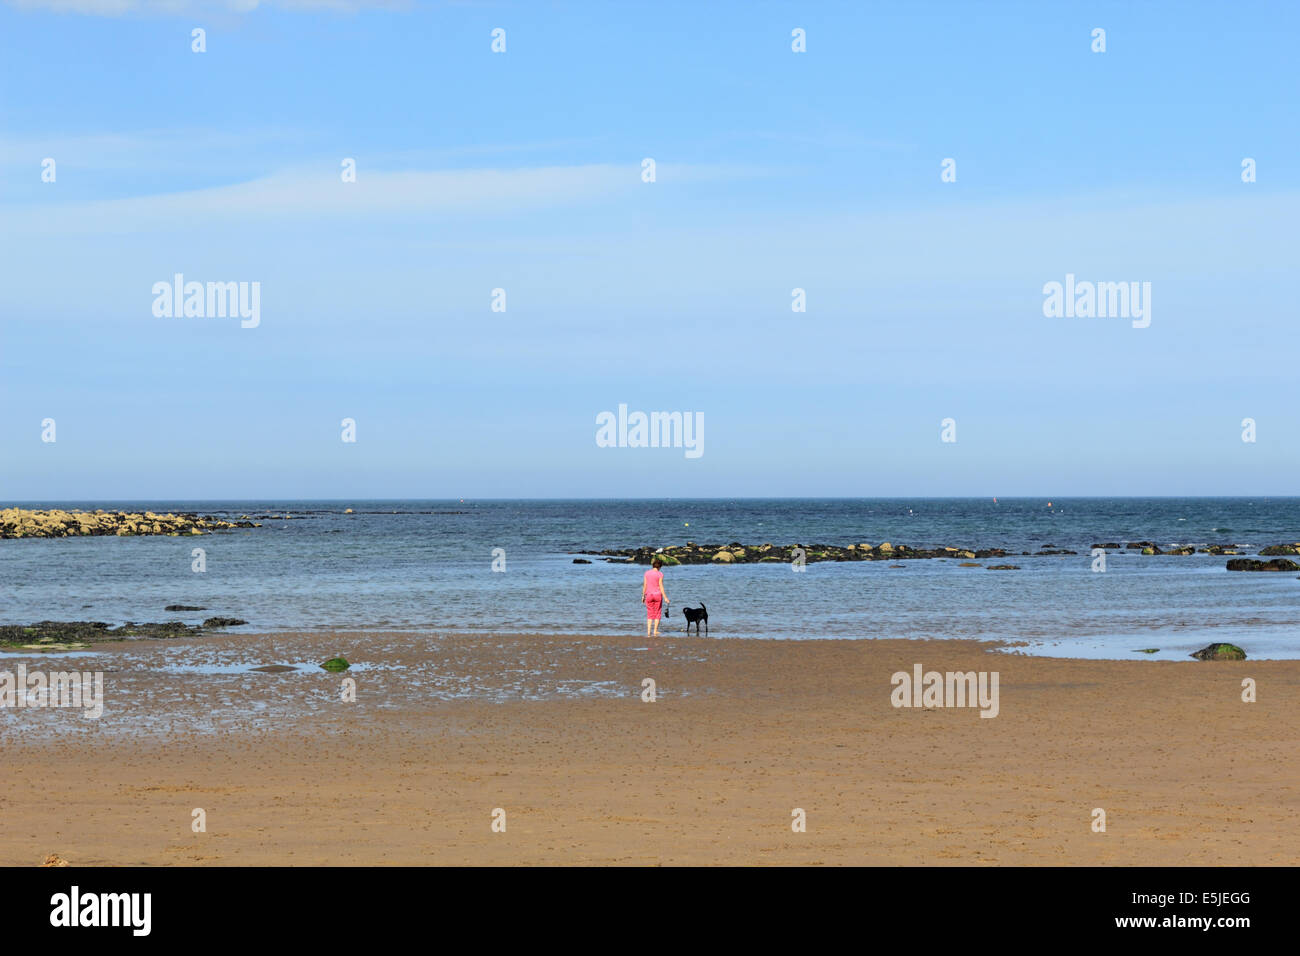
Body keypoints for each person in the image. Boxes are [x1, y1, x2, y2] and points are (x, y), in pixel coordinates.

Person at [641, 557, 669, 637]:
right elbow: (661, 586)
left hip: (649, 595)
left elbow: (645, 585)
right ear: (660, 566)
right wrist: (665, 597)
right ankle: (655, 631)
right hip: (657, 595)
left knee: (649, 614)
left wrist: (643, 596)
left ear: (653, 565)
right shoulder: (660, 574)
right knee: (657, 613)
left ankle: (649, 632)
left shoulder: (647, 573)